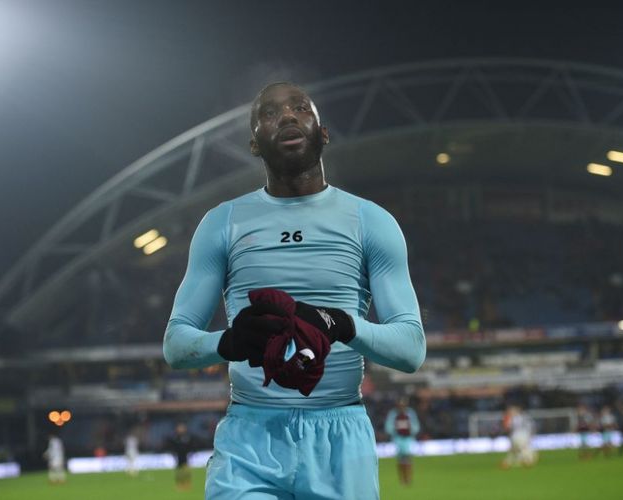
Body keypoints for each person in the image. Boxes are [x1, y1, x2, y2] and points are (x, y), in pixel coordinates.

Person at [163, 81, 426, 500]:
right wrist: (229, 342)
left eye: (300, 108)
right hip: (249, 438)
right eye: (269, 113)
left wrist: (343, 325)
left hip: (341, 440)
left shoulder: (370, 222)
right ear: (254, 144)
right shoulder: (222, 223)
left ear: (322, 133)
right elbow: (176, 345)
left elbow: (411, 349)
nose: (286, 116)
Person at [384, 397, 420, 485]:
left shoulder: (410, 413)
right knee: (400, 459)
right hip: (398, 438)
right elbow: (388, 426)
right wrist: (394, 430)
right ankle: (402, 478)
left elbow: (415, 425)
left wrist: (412, 430)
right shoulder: (393, 414)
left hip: (408, 438)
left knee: (408, 457)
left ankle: (408, 478)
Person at [165, 423, 195, 491]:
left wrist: (191, 452)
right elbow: (172, 447)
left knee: (186, 471)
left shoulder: (187, 437)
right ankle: (179, 484)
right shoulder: (175, 437)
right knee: (179, 472)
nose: (180, 430)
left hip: (185, 456)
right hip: (178, 456)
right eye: (179, 428)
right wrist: (173, 453)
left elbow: (190, 446)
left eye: (182, 428)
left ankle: (187, 483)